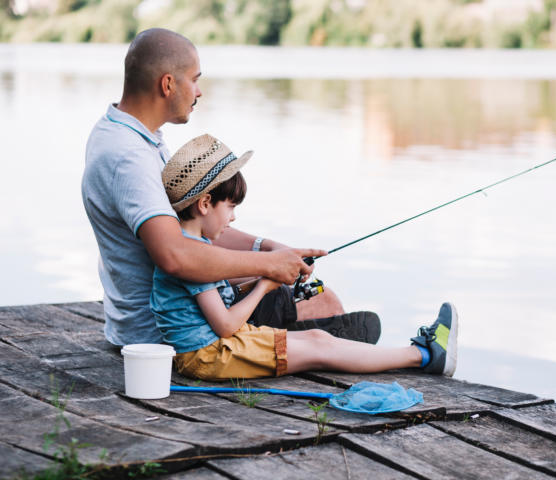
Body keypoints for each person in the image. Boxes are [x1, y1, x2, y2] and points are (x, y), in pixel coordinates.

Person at [81, 28, 379, 347]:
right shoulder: (130, 157)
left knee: (302, 293)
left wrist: (270, 249)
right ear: (167, 84)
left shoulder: (131, 136)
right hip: (170, 330)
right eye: (195, 79)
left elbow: (189, 228)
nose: (199, 91)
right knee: (323, 303)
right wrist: (269, 266)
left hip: (180, 308)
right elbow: (175, 255)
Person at [151, 134, 458, 380]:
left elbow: (216, 305)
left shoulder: (192, 244)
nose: (233, 217)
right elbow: (225, 325)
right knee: (319, 347)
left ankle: (422, 354)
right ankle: (424, 355)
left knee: (316, 337)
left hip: (213, 349)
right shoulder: (196, 256)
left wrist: (265, 276)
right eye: (230, 207)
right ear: (205, 204)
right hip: (211, 356)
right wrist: (263, 288)